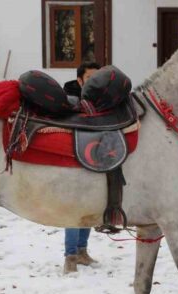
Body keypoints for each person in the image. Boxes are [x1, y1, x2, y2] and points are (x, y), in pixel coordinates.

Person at [62, 61, 102, 274]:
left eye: (97, 78)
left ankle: (82, 251)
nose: (94, 83)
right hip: (72, 158)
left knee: (88, 206)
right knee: (74, 207)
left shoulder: (102, 97)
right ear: (80, 80)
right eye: (90, 79)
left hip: (93, 157)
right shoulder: (69, 98)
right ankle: (70, 257)